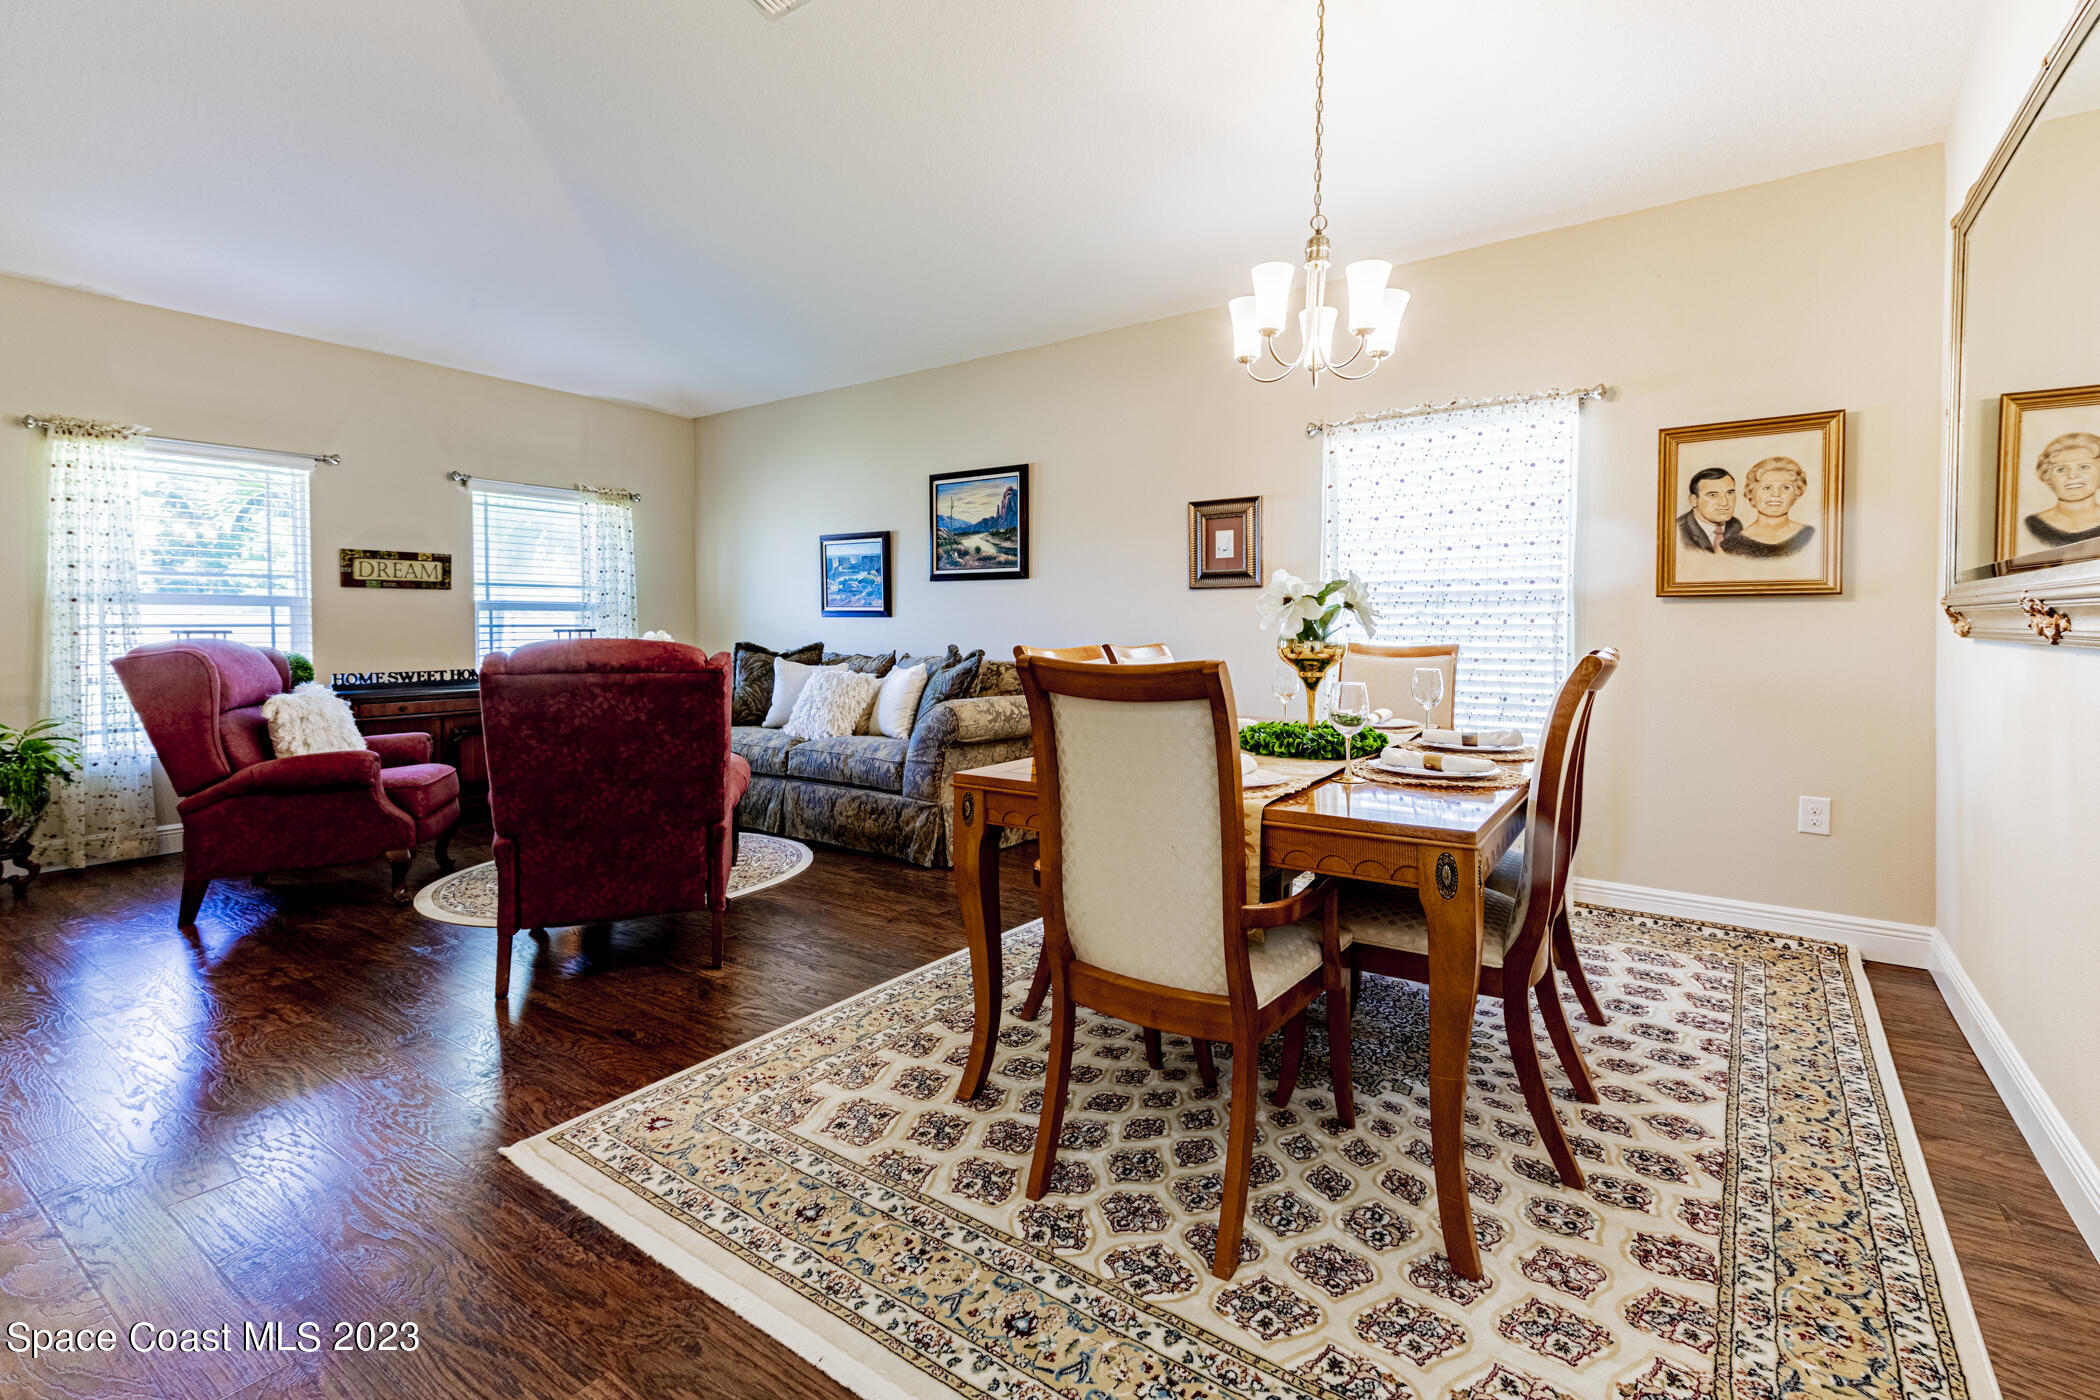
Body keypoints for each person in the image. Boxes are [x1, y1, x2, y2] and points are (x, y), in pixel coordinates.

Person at [1723, 457, 1815, 558]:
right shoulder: (1730, 547)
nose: (1776, 494)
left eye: (1785, 488)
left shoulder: (1812, 536)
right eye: (1767, 488)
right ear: (1750, 493)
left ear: (1796, 494)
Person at [2023, 432, 2100, 549]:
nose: (2072, 476)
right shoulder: (2030, 525)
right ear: (2047, 475)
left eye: (2084, 467)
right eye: (2061, 469)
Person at [1676, 467, 1742, 553]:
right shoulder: (1677, 531)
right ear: (1693, 500)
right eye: (1713, 495)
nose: (1724, 502)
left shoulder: (1736, 525)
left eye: (1730, 493)